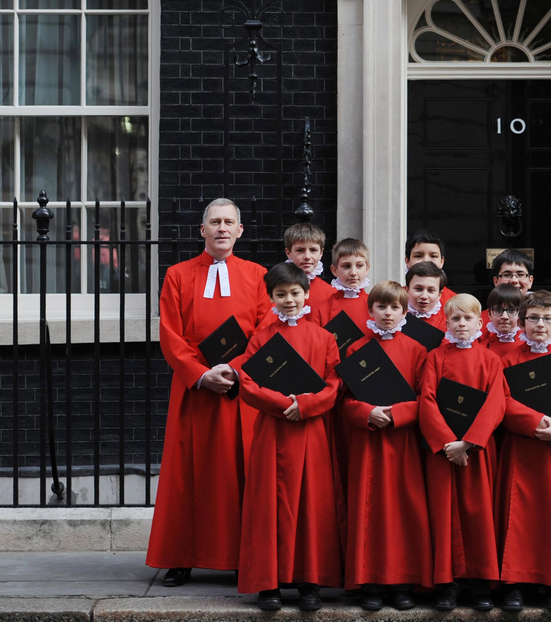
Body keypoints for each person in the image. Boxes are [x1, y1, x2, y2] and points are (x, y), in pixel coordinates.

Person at [146, 199, 270, 587]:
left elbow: (265, 330)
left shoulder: (258, 274)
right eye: (214, 222)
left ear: (239, 230)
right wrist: (201, 375)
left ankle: (240, 557)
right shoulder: (178, 274)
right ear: (202, 231)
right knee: (187, 474)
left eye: (228, 222)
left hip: (241, 390)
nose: (221, 228)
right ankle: (181, 556)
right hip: (196, 391)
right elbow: (170, 333)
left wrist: (235, 370)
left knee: (242, 472)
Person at [234, 263, 342, 611]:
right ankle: (269, 584)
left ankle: (309, 582)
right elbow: (247, 383)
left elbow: (334, 384)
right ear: (271, 299)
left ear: (307, 294)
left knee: (311, 504)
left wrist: (306, 406)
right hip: (274, 429)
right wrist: (283, 404)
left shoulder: (325, 338)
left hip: (310, 430)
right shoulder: (262, 337)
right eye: (281, 295)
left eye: (295, 293)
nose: (289, 300)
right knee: (269, 505)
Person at [341, 281, 433, 609]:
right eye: (382, 307)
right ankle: (370, 583)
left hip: (402, 441)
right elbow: (346, 399)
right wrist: (367, 412)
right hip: (368, 441)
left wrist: (397, 415)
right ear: (371, 311)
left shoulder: (417, 351)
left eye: (395, 308)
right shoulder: (355, 349)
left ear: (405, 311)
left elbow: (426, 398)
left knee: (403, 510)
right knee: (369, 508)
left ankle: (402, 582)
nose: (388, 314)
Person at [494, 291, 551, 612]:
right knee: (517, 518)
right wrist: (534, 421)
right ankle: (514, 584)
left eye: (547, 319)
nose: (540, 324)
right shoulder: (505, 361)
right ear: (521, 323)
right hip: (520, 449)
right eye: (533, 318)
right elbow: (501, 402)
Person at [419, 294, 506, 610]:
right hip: (443, 452)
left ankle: (480, 583)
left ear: (479, 323)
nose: (461, 324)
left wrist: (468, 442)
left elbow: (496, 403)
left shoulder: (490, 360)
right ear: (447, 322)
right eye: (455, 319)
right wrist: (447, 443)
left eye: (467, 318)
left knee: (478, 513)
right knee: (443, 515)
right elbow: (426, 400)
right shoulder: (435, 358)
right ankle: (446, 582)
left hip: (476, 451)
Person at [317, 238, 371, 331]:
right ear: (334, 270)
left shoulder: (375, 305)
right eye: (347, 266)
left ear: (367, 269)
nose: (353, 272)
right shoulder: (323, 309)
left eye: (359, 265)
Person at [284, 221, 335, 318]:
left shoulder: (330, 293)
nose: (307, 256)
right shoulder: (277, 288)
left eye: (313, 250)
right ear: (288, 252)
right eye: (300, 250)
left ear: (321, 253)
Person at [405, 230, 456, 302]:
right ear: (407, 261)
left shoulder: (455, 302)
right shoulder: (392, 299)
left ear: (442, 261)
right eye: (418, 256)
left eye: (433, 256)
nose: (426, 260)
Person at [480, 283, 525, 357]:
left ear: (520, 314)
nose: (504, 316)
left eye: (512, 310)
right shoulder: (482, 350)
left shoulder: (530, 347)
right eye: (498, 310)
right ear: (490, 315)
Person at [405, 261, 448, 331]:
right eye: (418, 289)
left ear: (439, 295)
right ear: (407, 290)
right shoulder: (393, 318)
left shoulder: (448, 324)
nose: (424, 296)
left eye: (430, 290)